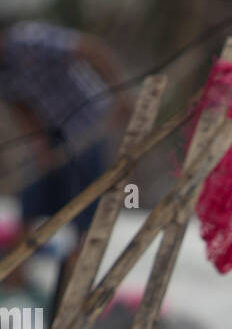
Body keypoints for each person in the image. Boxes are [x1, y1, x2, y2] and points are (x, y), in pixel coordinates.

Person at [0, 20, 133, 296]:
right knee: (32, 200)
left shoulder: (30, 39)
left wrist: (120, 92)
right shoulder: (4, 72)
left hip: (90, 125)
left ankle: (76, 281)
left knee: (86, 205)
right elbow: (22, 108)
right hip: (54, 134)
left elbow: (90, 49)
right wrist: (41, 148)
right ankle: (15, 276)